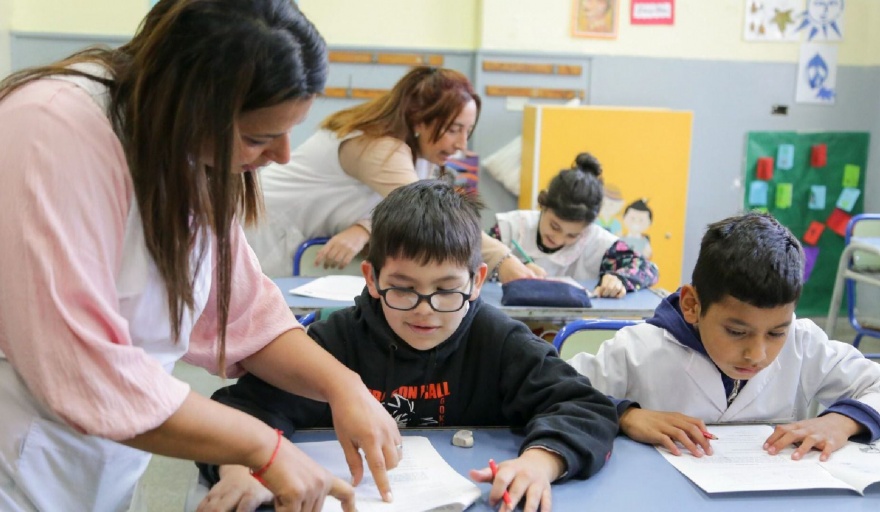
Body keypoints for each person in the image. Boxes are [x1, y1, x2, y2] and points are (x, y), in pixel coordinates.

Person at [0, 2, 402, 511]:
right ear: (188, 103)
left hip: (100, 458)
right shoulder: (50, 130)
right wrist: (262, 446)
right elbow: (80, 366)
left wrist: (342, 385)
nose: (282, 155)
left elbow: (242, 314)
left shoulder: (185, 151)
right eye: (258, 137)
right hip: (17, 455)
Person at [198, 180, 619, 512]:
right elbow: (242, 409)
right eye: (403, 289)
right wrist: (238, 470)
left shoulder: (498, 339)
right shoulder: (337, 341)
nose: (426, 311)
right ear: (371, 278)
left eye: (446, 290)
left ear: (476, 281)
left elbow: (585, 407)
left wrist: (539, 464)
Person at [568, 212, 880, 461]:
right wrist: (625, 415)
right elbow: (557, 392)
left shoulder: (805, 344)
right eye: (736, 331)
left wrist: (842, 421)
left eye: (776, 332)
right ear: (692, 305)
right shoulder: (637, 349)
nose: (757, 354)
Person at [245, 66, 539, 282]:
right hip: (262, 228)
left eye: (468, 132)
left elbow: (401, 206)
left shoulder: (419, 153)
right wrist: (504, 261)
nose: (462, 145)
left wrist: (363, 227)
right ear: (419, 120)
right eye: (453, 130)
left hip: (294, 240)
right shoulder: (380, 147)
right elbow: (432, 216)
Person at [489, 152, 658, 298]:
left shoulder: (600, 243)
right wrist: (508, 267)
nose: (559, 238)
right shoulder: (509, 228)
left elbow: (647, 269)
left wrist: (618, 279)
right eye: (555, 226)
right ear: (544, 204)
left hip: (573, 330)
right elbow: (471, 264)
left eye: (573, 235)